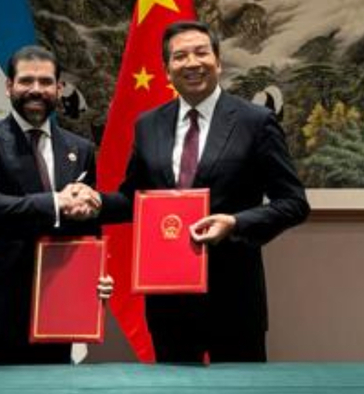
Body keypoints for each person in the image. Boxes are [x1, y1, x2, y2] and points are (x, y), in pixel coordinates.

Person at [103, 20, 310, 363]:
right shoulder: (148, 124)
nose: (192, 63)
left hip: (234, 298)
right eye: (180, 56)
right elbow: (132, 200)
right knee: (172, 387)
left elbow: (294, 203)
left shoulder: (255, 122)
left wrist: (235, 223)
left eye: (201, 53)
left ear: (218, 61)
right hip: (168, 301)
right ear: (167, 69)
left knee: (240, 388)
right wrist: (91, 201)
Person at [0, 45, 119, 366]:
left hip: (60, 303)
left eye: (45, 82)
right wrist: (56, 201)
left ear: (59, 89)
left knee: (54, 387)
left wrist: (96, 272)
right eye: (26, 81)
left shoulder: (80, 149)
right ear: (9, 86)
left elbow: (86, 224)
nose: (36, 89)